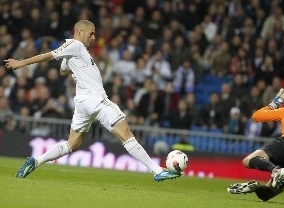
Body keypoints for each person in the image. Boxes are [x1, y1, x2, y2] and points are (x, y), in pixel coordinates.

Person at [4, 19, 181, 182]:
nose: (94, 37)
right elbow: (48, 55)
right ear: (80, 32)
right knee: (125, 133)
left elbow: (62, 71)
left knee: (72, 143)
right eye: (91, 33)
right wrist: (21, 63)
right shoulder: (75, 45)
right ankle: (157, 171)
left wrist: (67, 63)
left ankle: (36, 161)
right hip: (95, 99)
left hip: (82, 103)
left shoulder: (74, 51)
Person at [227, 88, 284, 201]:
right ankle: (256, 187)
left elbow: (256, 116)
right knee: (266, 194)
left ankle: (275, 170)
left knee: (248, 160)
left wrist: (274, 105)